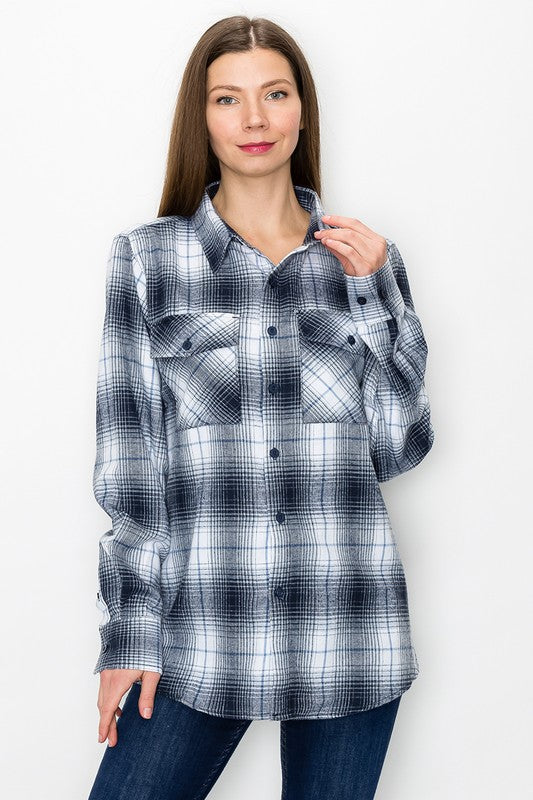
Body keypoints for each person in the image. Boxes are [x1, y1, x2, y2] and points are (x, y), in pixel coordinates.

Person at [88, 14, 435, 800]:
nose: (253, 118)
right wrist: (129, 633)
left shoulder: (366, 260)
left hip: (350, 631)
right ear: (201, 118)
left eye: (274, 94)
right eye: (227, 99)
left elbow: (399, 447)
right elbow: (132, 467)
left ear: (301, 110)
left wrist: (373, 295)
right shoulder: (147, 260)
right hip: (200, 634)